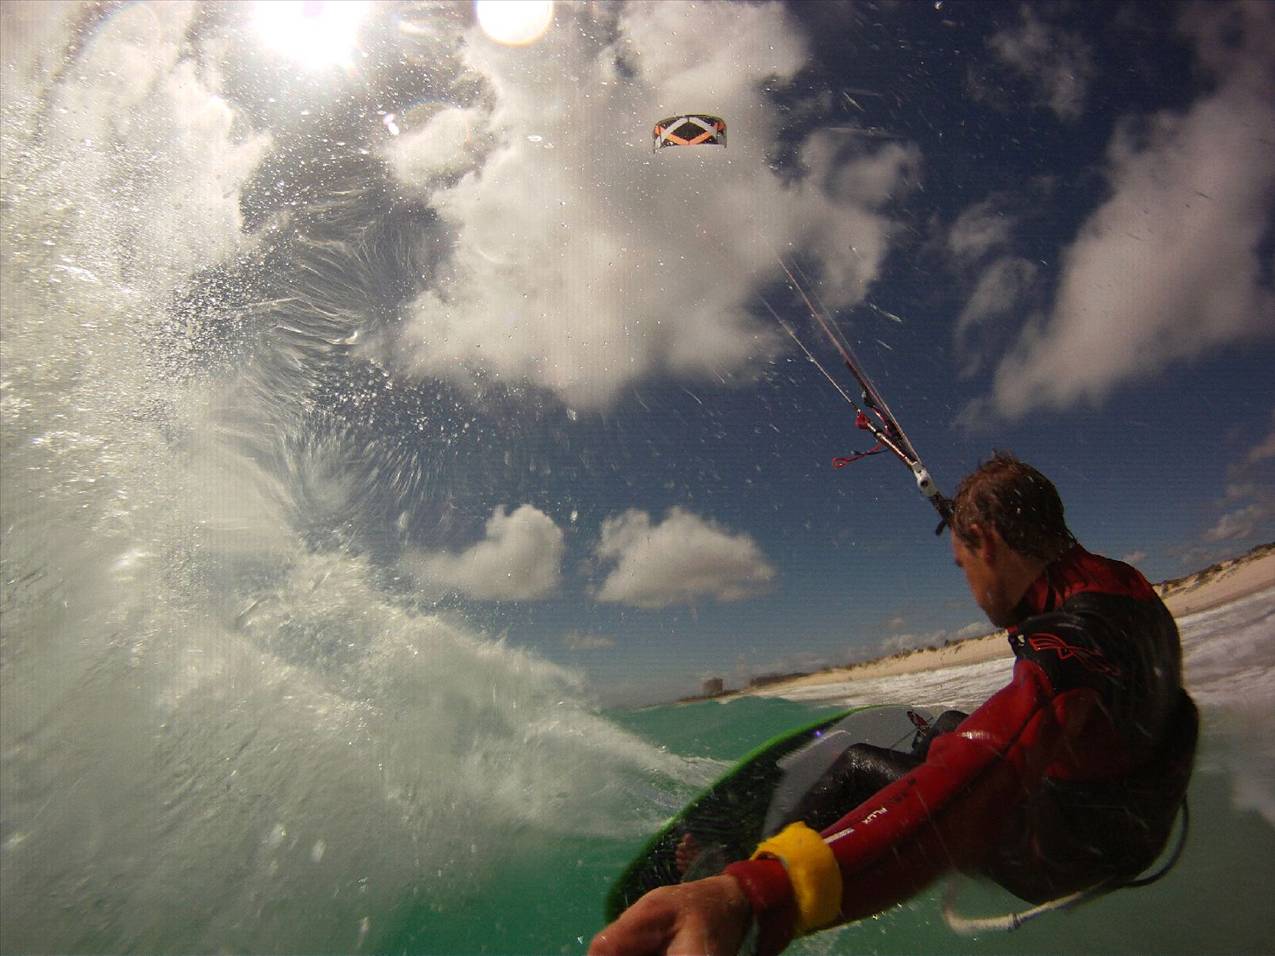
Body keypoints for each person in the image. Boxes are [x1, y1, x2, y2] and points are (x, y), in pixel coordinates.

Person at [590, 453, 1197, 956]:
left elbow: (979, 776)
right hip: (1129, 816)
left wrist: (754, 895)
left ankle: (740, 864)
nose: (970, 587)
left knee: (858, 762)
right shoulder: (1117, 585)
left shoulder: (1071, 648)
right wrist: (963, 524)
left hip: (1065, 854)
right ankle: (921, 750)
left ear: (987, 543)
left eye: (962, 565)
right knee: (949, 725)